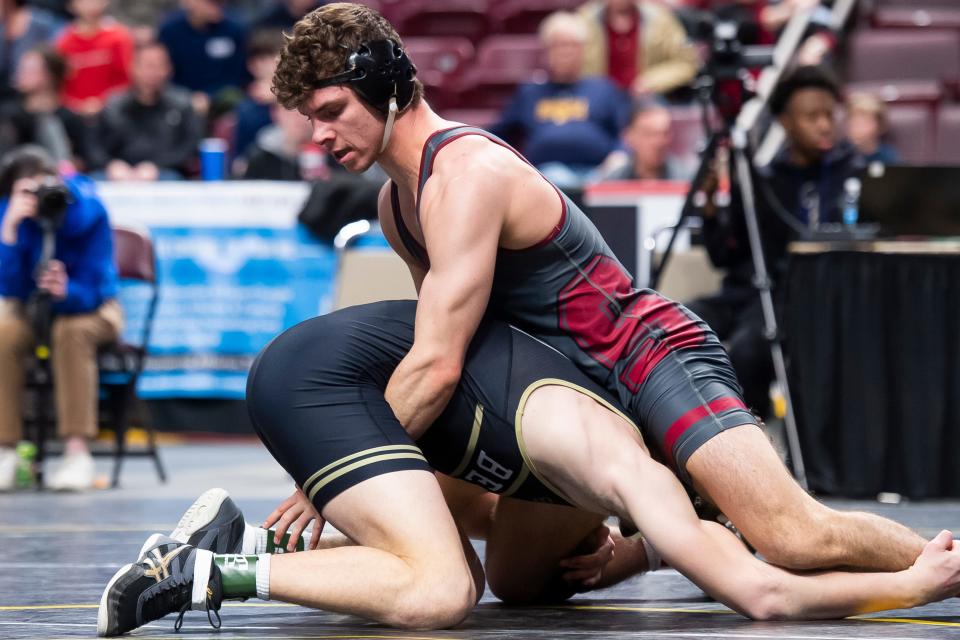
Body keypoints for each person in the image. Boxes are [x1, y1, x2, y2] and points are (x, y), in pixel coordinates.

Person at [268, 4, 925, 577]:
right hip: (570, 392)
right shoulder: (396, 205)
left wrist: (329, 475)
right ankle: (663, 537)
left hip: (647, 360)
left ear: (386, 88)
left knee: (794, 537)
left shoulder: (467, 175)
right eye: (309, 118)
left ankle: (938, 560)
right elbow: (459, 350)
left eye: (331, 112)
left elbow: (436, 366)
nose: (319, 135)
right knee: (526, 580)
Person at [97, 300, 960, 636]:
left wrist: (649, 553)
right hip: (331, 379)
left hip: (377, 386)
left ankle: (230, 537)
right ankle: (206, 571)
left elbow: (590, 550)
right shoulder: (631, 470)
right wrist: (909, 590)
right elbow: (767, 597)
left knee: (509, 579)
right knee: (439, 594)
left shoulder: (585, 472)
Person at [686, 65, 864, 419]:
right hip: (741, 293)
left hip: (795, 297)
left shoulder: (853, 175)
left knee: (750, 350)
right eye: (812, 116)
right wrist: (707, 205)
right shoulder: (762, 180)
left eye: (829, 114)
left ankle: (753, 441)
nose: (825, 124)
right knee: (674, 327)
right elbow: (723, 256)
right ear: (784, 122)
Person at [0, 145, 122, 491]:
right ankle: (5, 450)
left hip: (94, 307)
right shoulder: (12, 216)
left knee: (72, 331)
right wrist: (9, 231)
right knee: (3, 330)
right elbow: (10, 290)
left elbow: (99, 286)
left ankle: (76, 452)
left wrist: (68, 292)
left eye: (43, 187)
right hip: (31, 309)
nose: (37, 199)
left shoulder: (89, 210)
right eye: (26, 191)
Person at [488, 11, 629, 189]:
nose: (566, 52)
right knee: (556, 177)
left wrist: (619, 155)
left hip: (600, 175)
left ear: (583, 50)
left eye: (573, 45)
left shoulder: (604, 89)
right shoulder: (529, 92)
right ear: (546, 51)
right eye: (559, 45)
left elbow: (626, 133)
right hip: (547, 176)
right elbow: (499, 134)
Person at [88, 41, 203, 181]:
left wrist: (157, 166)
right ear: (133, 67)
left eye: (159, 66)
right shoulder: (113, 105)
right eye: (148, 66)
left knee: (172, 180)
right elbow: (93, 145)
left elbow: (189, 146)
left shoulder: (182, 105)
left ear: (169, 68)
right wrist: (111, 165)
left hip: (165, 172)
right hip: (117, 173)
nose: (153, 72)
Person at [0, 45, 94, 171]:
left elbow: (87, 159)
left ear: (50, 75)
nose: (21, 74)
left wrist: (72, 164)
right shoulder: (9, 115)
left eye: (30, 70)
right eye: (21, 68)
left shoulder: (70, 119)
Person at [577, 0, 698, 97]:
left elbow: (686, 63)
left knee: (656, 122)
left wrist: (651, 81)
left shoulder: (660, 19)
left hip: (645, 99)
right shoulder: (583, 20)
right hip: (596, 98)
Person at [156, 0, 249, 109]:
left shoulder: (236, 29)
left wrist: (210, 96)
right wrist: (189, 97)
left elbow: (241, 75)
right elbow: (165, 73)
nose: (217, 5)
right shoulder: (169, 31)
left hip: (225, 99)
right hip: (181, 99)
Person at [54, 0, 134, 117]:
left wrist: (103, 102)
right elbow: (59, 84)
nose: (90, 4)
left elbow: (125, 79)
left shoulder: (119, 37)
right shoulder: (63, 42)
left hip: (114, 112)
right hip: (74, 114)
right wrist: (77, 106)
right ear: (71, 5)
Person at [593, 98, 693, 181]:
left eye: (664, 133)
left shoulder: (687, 180)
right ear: (628, 137)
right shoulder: (613, 182)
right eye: (649, 134)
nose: (658, 142)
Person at [231, 28, 283, 162]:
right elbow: (242, 154)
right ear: (252, 65)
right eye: (268, 58)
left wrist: (279, 98)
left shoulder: (303, 95)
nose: (278, 62)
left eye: (279, 56)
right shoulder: (246, 107)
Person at [0, 0, 64, 93]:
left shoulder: (41, 23)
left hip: (38, 91)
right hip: (8, 93)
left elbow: (56, 59)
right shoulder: (2, 27)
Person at [846, 91, 899, 166]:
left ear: (880, 125)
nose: (857, 127)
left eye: (864, 122)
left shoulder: (888, 156)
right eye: (853, 120)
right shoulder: (840, 155)